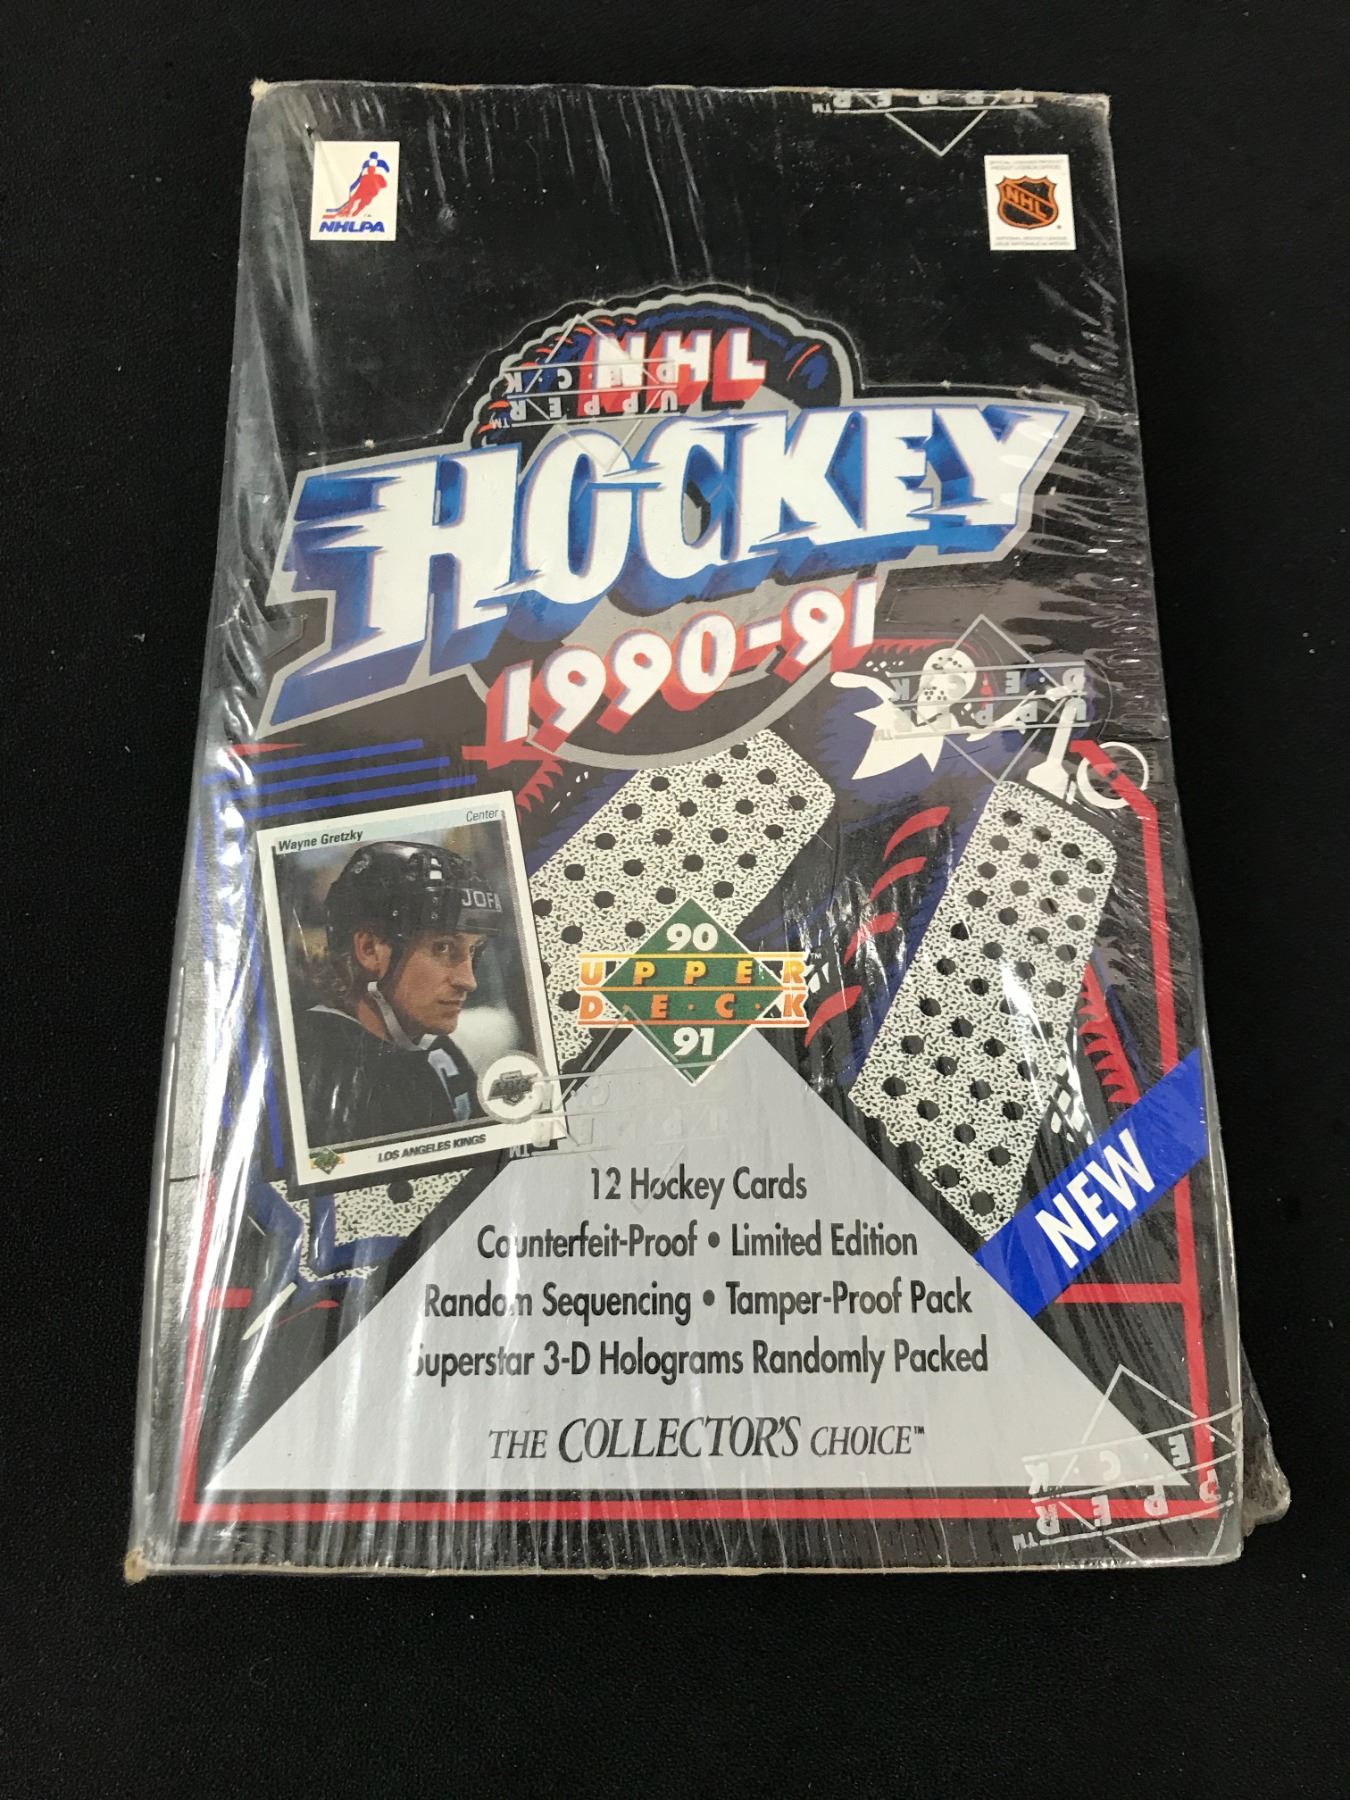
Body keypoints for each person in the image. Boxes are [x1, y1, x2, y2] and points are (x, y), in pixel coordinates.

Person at [294, 840, 507, 1149]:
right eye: (442, 947)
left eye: (472, 951)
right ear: (369, 950)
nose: (468, 981)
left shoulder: (432, 1046)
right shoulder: (315, 1071)